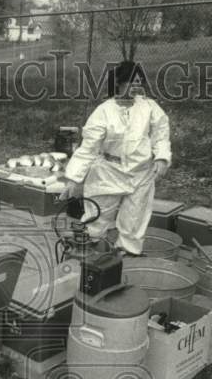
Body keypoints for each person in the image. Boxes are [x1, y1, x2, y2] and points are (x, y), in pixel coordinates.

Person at [60, 61, 172, 256]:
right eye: (132, 81)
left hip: (140, 174)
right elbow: (88, 148)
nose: (136, 86)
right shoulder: (104, 111)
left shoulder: (149, 107)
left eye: (139, 81)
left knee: (134, 218)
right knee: (97, 215)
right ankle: (89, 250)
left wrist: (162, 157)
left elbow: (161, 134)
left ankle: (128, 254)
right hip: (108, 172)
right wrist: (73, 179)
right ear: (119, 82)